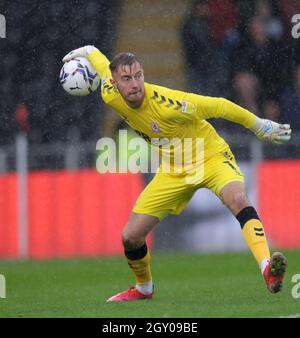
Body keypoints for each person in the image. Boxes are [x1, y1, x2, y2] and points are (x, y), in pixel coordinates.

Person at [63, 46, 291, 302]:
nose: (135, 83)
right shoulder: (108, 92)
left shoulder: (168, 103)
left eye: (139, 75)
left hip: (210, 157)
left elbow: (220, 106)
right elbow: (101, 61)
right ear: (114, 83)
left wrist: (259, 126)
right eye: (127, 79)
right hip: (172, 170)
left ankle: (267, 269)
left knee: (238, 200)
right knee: (130, 236)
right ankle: (144, 288)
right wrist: (88, 50)